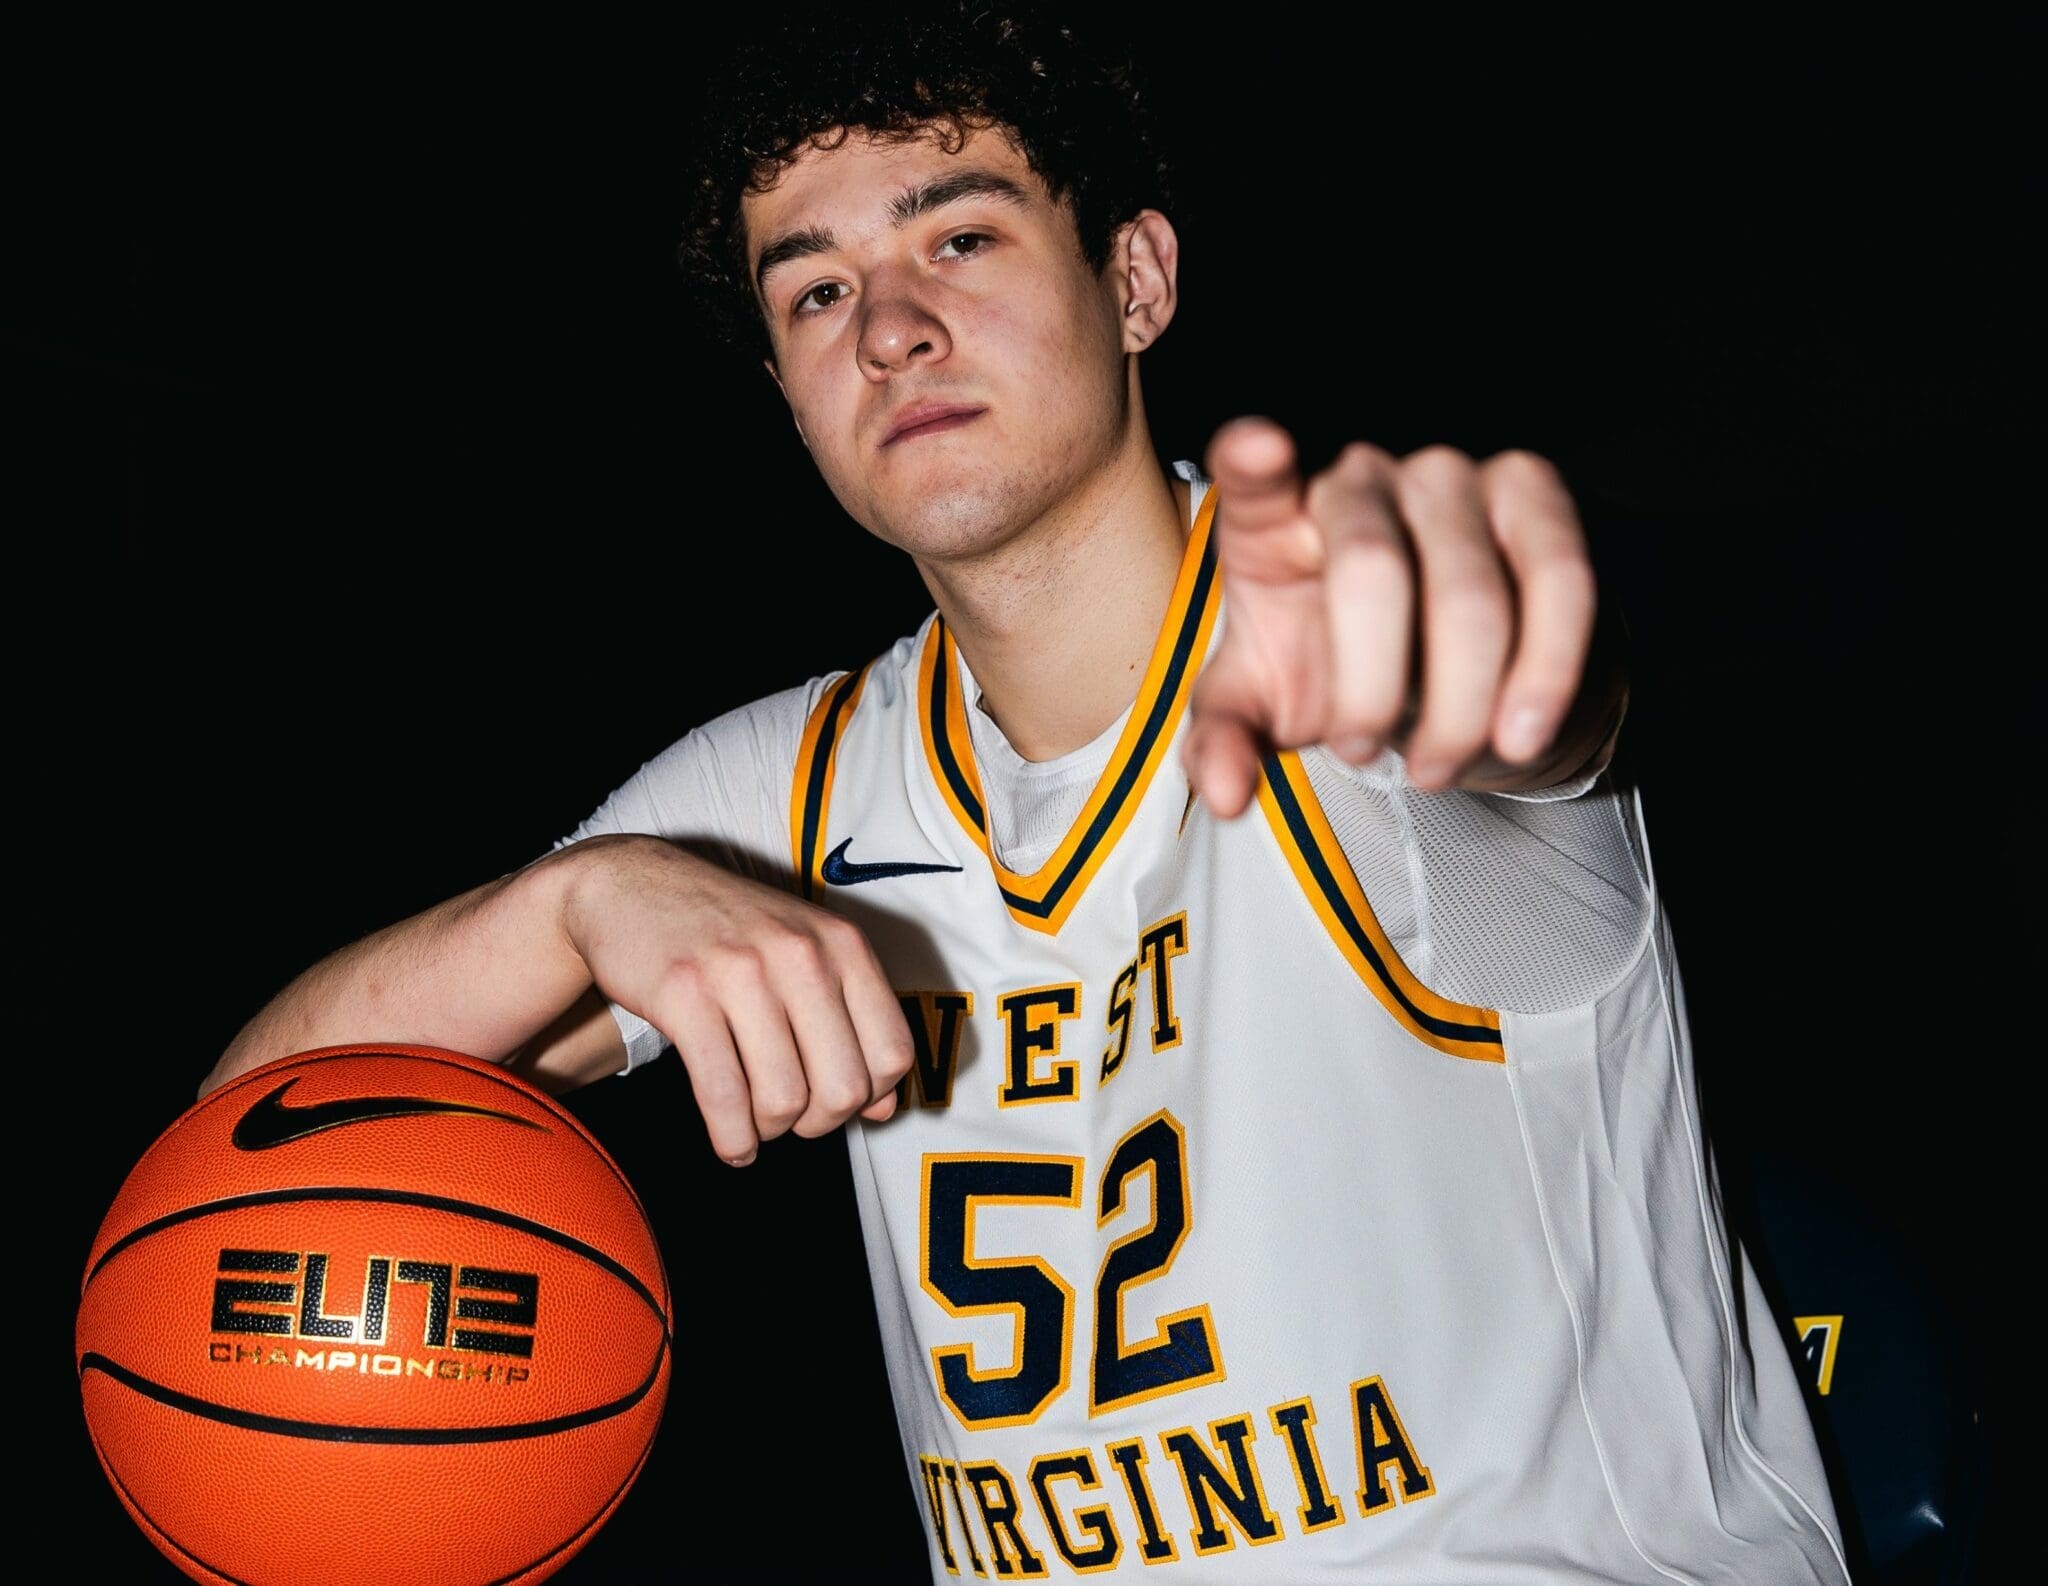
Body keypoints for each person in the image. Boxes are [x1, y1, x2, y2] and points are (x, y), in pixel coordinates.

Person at [200, 5, 1852, 1579]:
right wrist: (576, 897)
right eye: (816, 294)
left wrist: (1513, 640)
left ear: (1134, 278)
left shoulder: (1339, 637)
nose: (892, 326)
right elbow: (248, 1151)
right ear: (787, 390)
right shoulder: (795, 783)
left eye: (960, 237)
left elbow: (1530, 714)